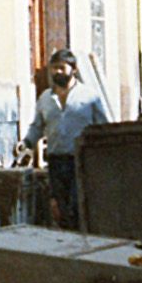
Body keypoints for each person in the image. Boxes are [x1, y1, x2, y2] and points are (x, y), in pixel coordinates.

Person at [24, 48, 109, 228]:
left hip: (82, 159)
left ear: (74, 69)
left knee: (79, 205)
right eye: (54, 68)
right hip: (56, 160)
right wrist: (26, 143)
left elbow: (102, 126)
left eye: (62, 68)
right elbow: (37, 126)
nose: (57, 72)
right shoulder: (45, 98)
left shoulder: (89, 96)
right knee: (59, 207)